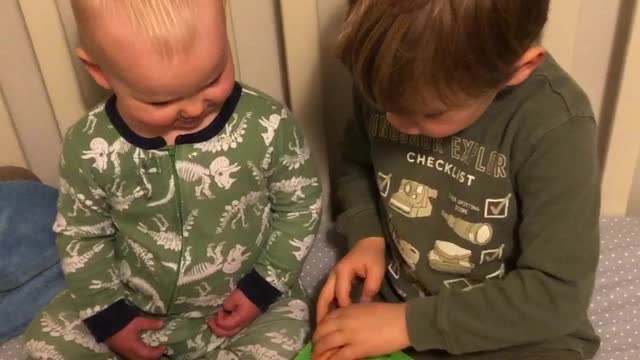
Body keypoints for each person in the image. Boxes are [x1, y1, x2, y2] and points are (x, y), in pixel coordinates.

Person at [24, 1, 322, 359]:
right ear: (98, 70)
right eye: (160, 100)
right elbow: (81, 234)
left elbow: (300, 204)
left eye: (212, 79)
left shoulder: (268, 125)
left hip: (243, 307)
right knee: (45, 342)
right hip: (134, 306)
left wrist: (262, 286)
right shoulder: (88, 146)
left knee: (292, 333)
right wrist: (110, 317)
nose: (195, 109)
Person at [314, 1, 600, 359]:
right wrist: (366, 236)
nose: (394, 121)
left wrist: (409, 324)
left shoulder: (556, 126)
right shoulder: (389, 75)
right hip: (399, 303)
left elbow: (556, 295)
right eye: (381, 102)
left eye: (431, 114)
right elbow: (357, 163)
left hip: (514, 333)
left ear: (520, 68)